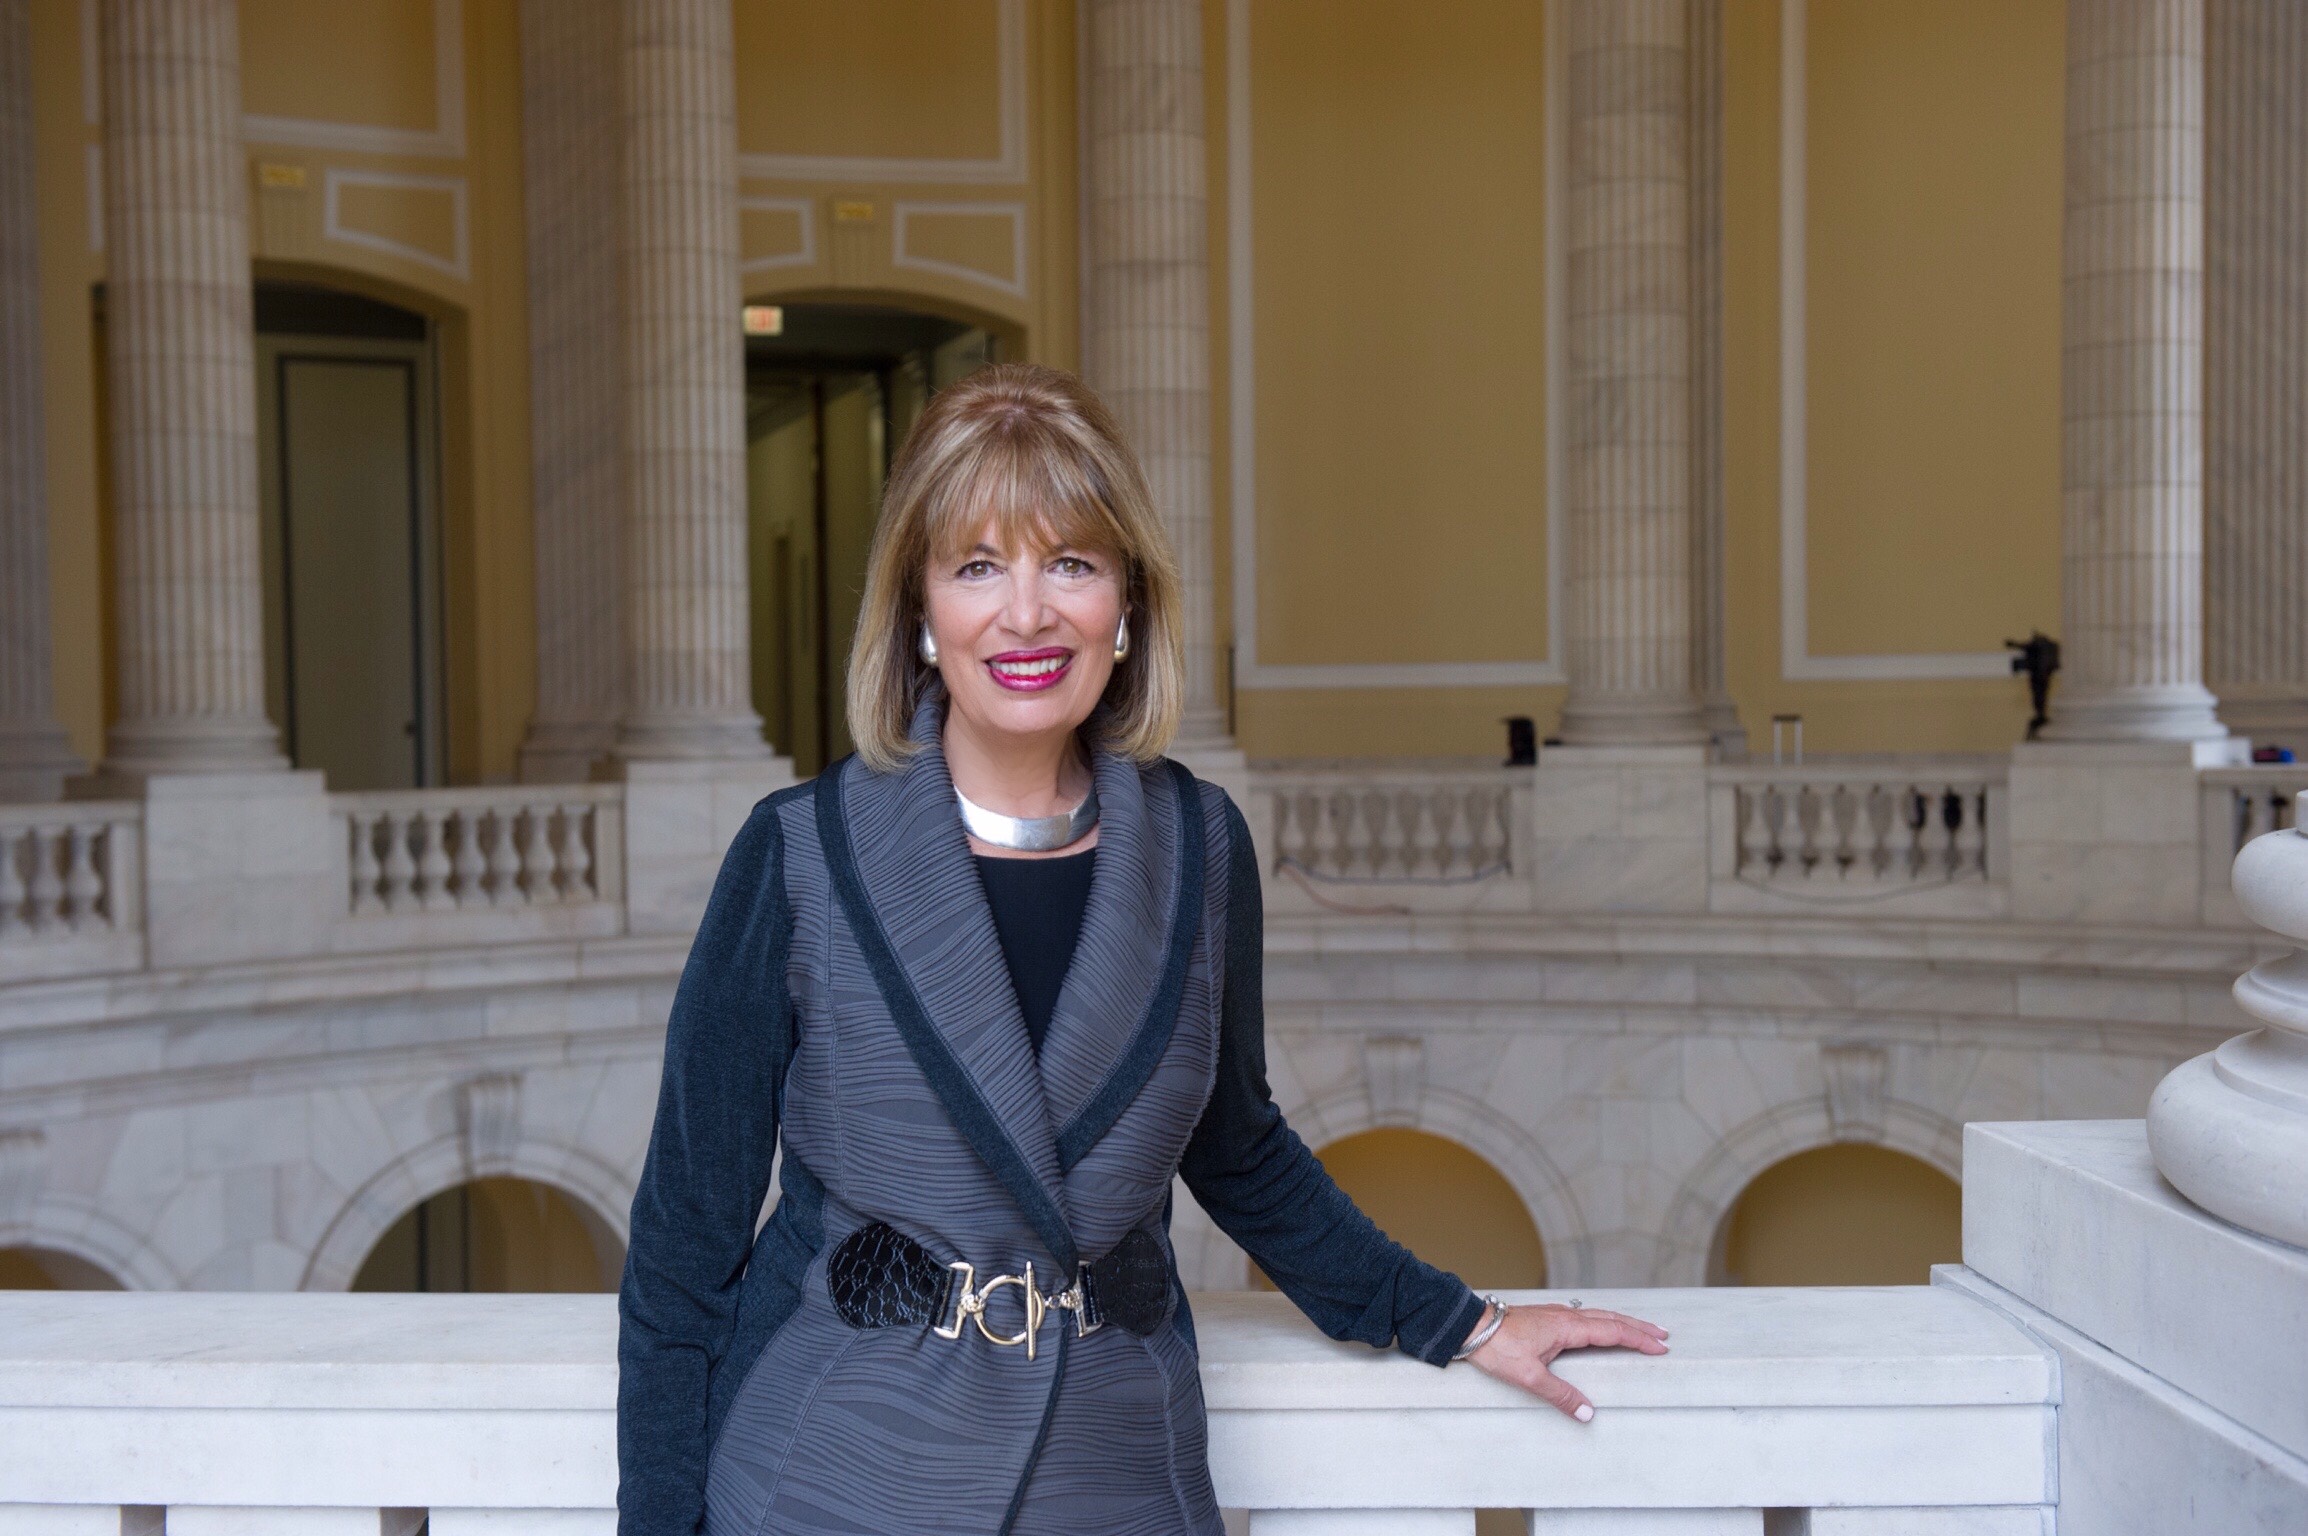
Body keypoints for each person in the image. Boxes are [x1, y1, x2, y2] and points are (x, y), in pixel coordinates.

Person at [616, 363, 1668, 1536]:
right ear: (918, 609)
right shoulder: (798, 854)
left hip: (1113, 1474)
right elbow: (682, 1246)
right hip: (836, 1475)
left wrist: (1460, 1321)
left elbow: (1240, 1151)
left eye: (1070, 562)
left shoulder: (1199, 845)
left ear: (1127, 604)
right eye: (977, 566)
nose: (1026, 613)